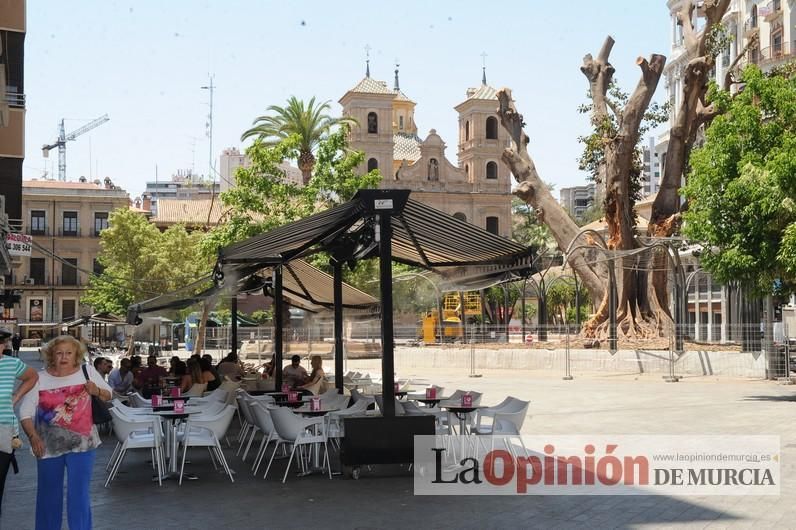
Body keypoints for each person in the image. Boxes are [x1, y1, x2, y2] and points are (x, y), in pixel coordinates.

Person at [18, 335, 111, 530]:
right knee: (48, 495)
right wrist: (33, 437)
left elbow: (109, 394)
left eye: (69, 353)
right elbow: (25, 413)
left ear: (76, 354)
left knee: (79, 494)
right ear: (51, 355)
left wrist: (97, 391)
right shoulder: (39, 378)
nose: (64, 357)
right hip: (48, 446)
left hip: (83, 444)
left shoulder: (88, 371)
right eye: (59, 353)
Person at [0, 328, 37, 520]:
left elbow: (32, 376)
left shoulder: (12, 364)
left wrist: (17, 396)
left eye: (1, 343)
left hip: (4, 430)